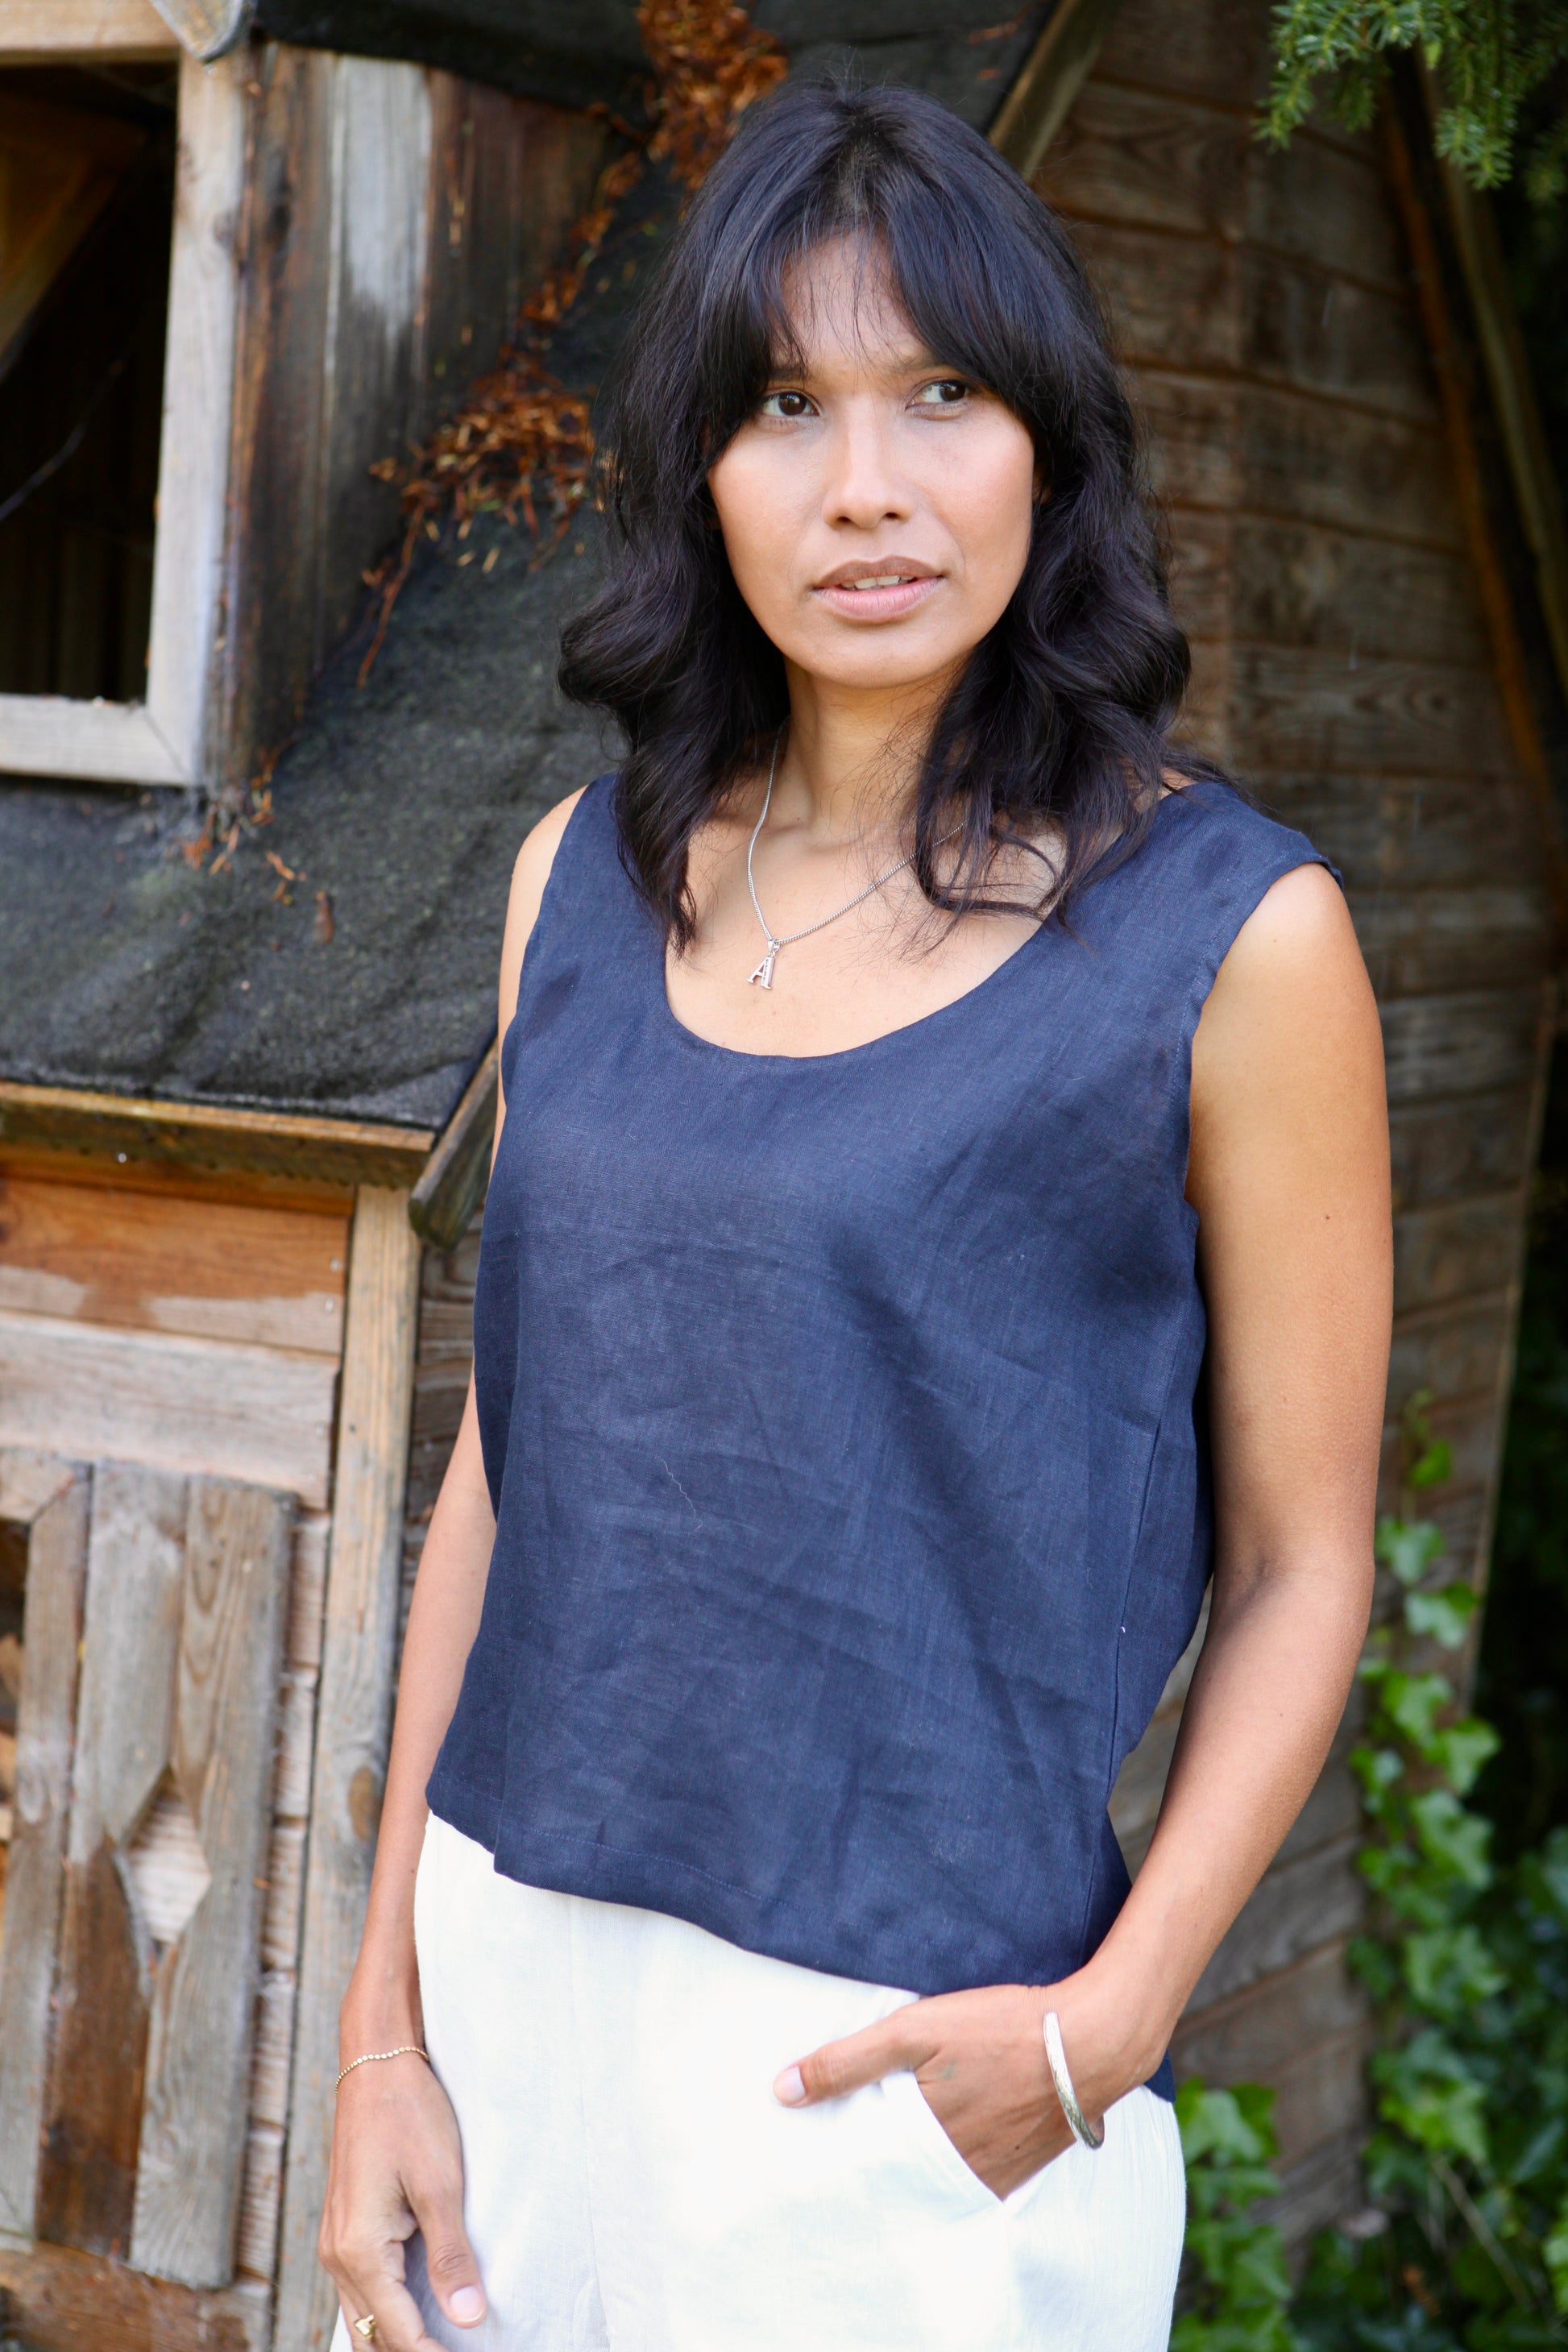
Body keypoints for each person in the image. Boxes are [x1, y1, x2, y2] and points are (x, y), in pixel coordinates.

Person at [321, 73, 1390, 2352]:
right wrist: (381, 2034)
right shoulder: (573, 887)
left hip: (902, 2074)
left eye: (942, 391)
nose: (868, 487)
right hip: (512, 2007)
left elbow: (1303, 1559)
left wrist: (1102, 2026)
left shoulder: (1231, 936)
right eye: (786, 405)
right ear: (701, 472)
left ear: (1048, 444)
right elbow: (505, 1475)